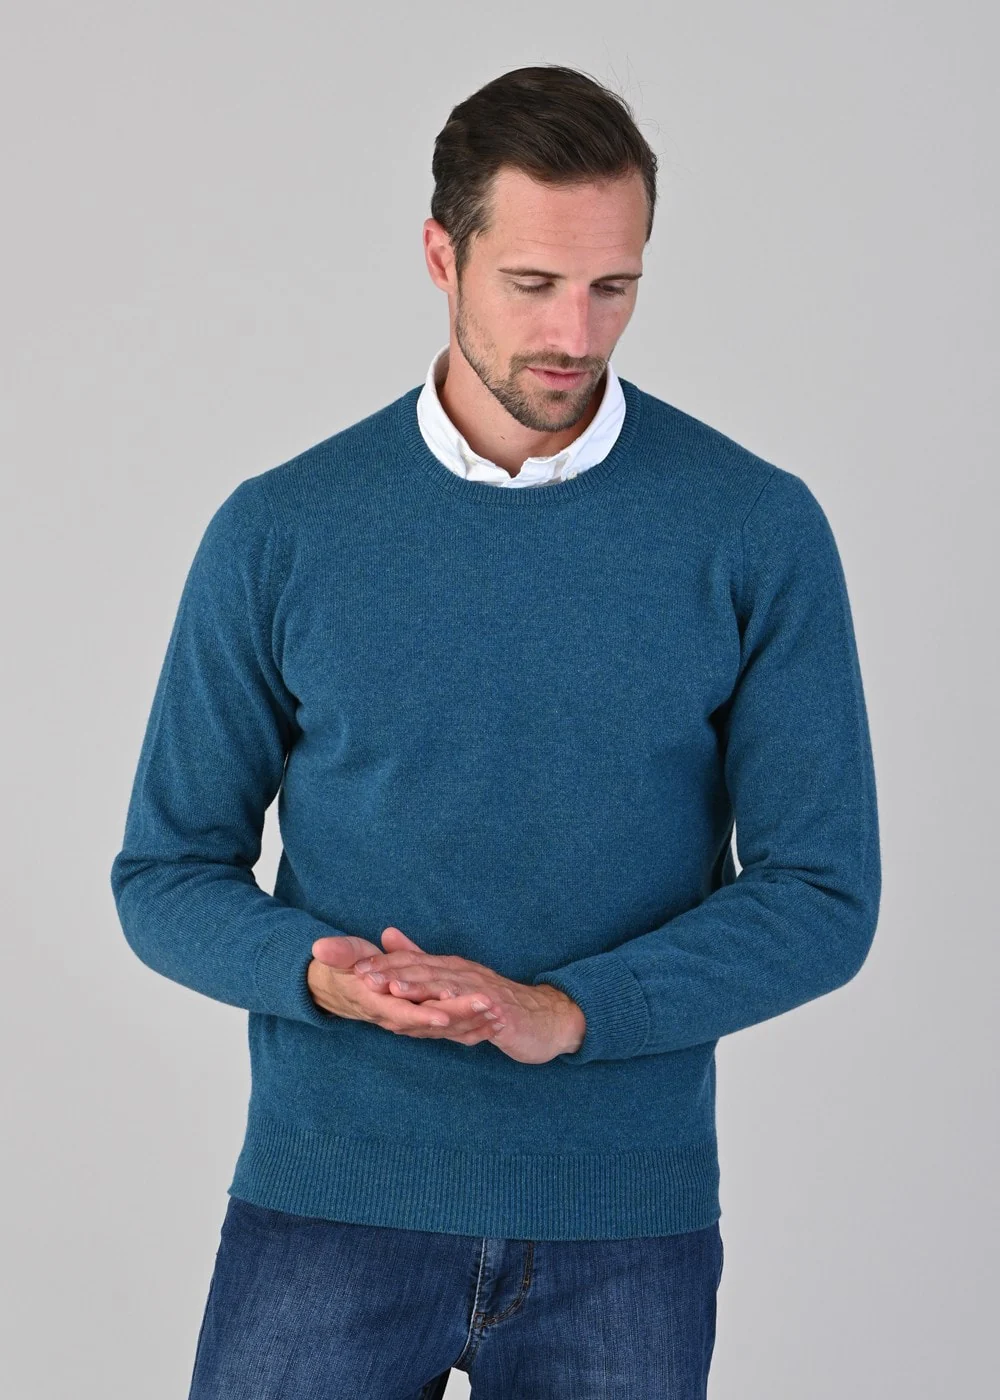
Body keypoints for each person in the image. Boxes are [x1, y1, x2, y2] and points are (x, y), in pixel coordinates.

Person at [110, 62, 881, 1400]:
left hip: (624, 1225)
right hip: (329, 1201)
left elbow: (823, 893)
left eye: (613, 286)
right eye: (533, 284)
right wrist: (322, 977)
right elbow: (165, 874)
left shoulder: (753, 528)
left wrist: (565, 1011)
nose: (576, 333)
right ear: (441, 256)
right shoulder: (283, 530)